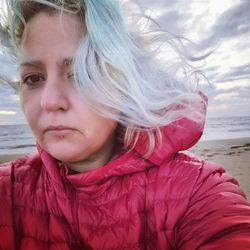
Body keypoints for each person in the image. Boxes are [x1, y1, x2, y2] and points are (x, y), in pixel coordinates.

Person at [0, 0, 249, 249]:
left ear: (124, 82)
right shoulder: (7, 192)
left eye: (80, 73)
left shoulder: (199, 191)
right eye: (33, 78)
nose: (49, 101)